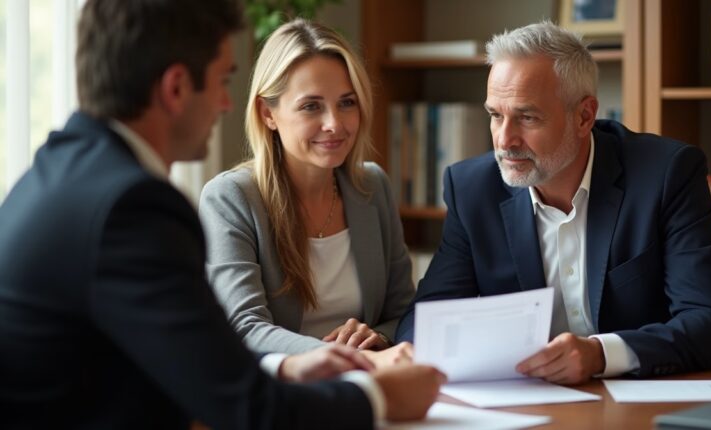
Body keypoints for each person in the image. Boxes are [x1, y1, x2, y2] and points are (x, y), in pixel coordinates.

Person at [0, 1, 444, 429]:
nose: (226, 105)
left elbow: (189, 364)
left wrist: (290, 370)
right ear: (176, 88)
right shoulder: (132, 208)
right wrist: (379, 397)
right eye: (220, 81)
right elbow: (243, 403)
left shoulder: (57, 174)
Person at [395, 21, 711, 385]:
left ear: (584, 116)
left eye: (527, 117)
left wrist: (601, 354)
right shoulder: (472, 188)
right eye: (496, 116)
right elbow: (427, 318)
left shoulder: (666, 174)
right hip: (523, 406)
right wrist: (405, 349)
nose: (505, 140)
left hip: (636, 402)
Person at [198, 19, 414, 366]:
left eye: (347, 102)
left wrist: (379, 337)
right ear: (267, 113)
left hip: (369, 380)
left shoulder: (372, 186)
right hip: (285, 393)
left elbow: (403, 310)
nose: (335, 123)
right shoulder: (231, 198)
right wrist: (340, 356)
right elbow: (244, 326)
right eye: (311, 106)